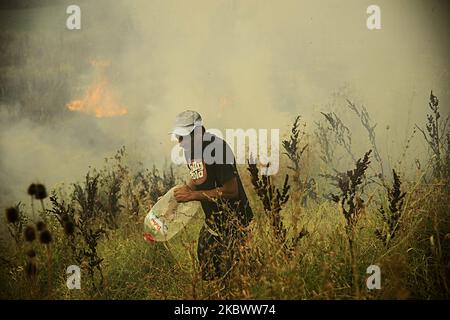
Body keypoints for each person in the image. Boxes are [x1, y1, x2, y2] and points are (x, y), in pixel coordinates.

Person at [170, 110, 253, 281]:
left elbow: (231, 190)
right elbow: (197, 177)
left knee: (236, 277)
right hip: (212, 224)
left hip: (236, 223)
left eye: (184, 137)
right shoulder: (189, 151)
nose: (180, 143)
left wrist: (192, 195)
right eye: (178, 137)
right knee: (209, 276)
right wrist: (175, 197)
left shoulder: (219, 149)